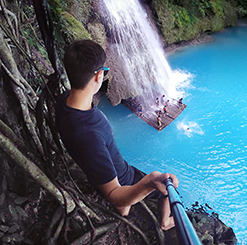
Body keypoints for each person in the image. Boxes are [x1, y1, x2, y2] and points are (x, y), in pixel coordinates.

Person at [56, 40, 178, 230]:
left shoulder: (64, 100)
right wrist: (149, 182)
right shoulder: (89, 136)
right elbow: (116, 198)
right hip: (124, 182)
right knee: (170, 190)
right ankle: (165, 222)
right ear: (98, 76)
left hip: (117, 170)